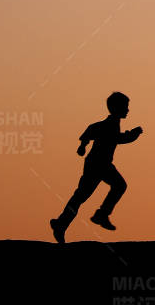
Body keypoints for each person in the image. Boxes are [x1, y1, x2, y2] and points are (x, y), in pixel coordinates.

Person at [50, 92, 143, 243]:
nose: (127, 110)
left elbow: (93, 131)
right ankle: (96, 216)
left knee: (83, 195)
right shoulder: (109, 125)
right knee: (113, 187)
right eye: (125, 107)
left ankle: (65, 222)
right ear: (116, 108)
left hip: (101, 164)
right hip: (98, 165)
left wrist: (83, 145)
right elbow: (115, 137)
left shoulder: (110, 124)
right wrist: (133, 134)